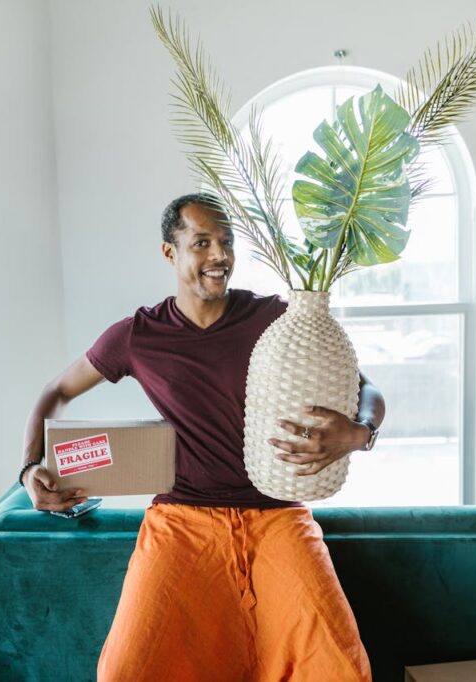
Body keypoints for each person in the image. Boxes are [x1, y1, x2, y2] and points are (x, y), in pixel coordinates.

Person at [19, 193, 385, 681]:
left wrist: (359, 434)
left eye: (227, 242)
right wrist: (29, 468)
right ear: (170, 252)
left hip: (279, 514)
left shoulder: (277, 319)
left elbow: (367, 387)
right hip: (181, 518)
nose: (220, 255)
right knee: (123, 672)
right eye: (202, 242)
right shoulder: (137, 336)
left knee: (341, 667)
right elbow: (57, 390)